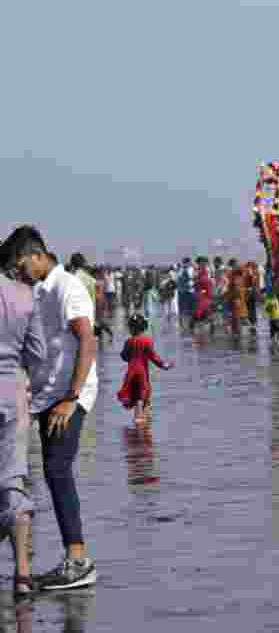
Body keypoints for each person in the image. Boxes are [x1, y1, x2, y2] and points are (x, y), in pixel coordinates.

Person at [6, 226, 98, 590]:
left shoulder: (67, 287)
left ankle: (78, 561)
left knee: (58, 470)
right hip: (45, 395)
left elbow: (87, 339)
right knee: (47, 471)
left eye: (20, 265)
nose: (18, 273)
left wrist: (72, 398)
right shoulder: (38, 291)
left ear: (37, 255)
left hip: (68, 397)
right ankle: (71, 558)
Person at [0, 235, 45, 597]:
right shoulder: (24, 297)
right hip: (13, 392)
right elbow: (38, 354)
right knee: (15, 479)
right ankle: (24, 575)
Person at [117, 313, 173, 424]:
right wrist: (163, 365)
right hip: (142, 372)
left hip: (131, 371)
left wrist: (130, 357)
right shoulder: (147, 341)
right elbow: (153, 357)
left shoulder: (128, 342)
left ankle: (138, 416)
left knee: (136, 394)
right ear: (144, 327)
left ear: (130, 328)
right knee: (144, 393)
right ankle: (143, 417)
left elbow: (124, 356)